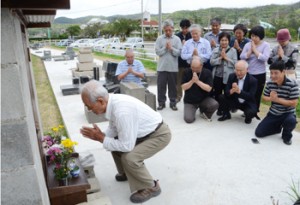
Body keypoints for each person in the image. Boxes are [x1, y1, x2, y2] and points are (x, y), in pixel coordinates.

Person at [80, 80, 172, 203]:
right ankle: (127, 173)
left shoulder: (122, 111)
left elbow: (126, 146)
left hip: (159, 135)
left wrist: (101, 138)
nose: (89, 109)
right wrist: (102, 136)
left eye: (89, 106)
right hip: (144, 133)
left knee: (130, 158)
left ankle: (151, 187)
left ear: (101, 101)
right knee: (113, 143)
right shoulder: (111, 102)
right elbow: (114, 128)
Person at [255, 61, 299, 145]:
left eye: (276, 73)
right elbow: (264, 97)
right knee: (259, 133)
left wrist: (277, 99)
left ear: (283, 72)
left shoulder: (293, 84)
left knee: (291, 121)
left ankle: (286, 135)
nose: (273, 76)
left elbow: (293, 103)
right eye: (271, 73)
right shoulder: (270, 83)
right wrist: (271, 98)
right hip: (273, 113)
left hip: (287, 113)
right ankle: (277, 128)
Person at [240, 25, 270, 113]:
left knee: (257, 93)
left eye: (256, 36)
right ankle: (246, 110)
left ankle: (255, 110)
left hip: (260, 73)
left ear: (261, 36)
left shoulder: (266, 45)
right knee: (247, 92)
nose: (254, 38)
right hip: (248, 73)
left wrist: (255, 50)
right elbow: (242, 57)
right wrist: (249, 52)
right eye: (252, 36)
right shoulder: (247, 45)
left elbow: (265, 58)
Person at [181, 56, 219, 123]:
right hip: (190, 101)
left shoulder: (207, 72)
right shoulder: (186, 71)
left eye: (197, 68)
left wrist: (197, 81)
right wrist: (192, 81)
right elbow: (183, 87)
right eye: (192, 67)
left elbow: (209, 89)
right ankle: (192, 111)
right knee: (189, 119)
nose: (194, 70)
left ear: (201, 65)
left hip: (204, 99)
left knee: (214, 104)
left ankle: (204, 112)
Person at [155, 19, 182, 111]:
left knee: (173, 87)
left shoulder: (177, 39)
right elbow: (158, 52)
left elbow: (178, 53)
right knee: (161, 87)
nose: (168, 32)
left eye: (169, 30)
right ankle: (161, 103)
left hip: (173, 68)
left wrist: (171, 48)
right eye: (166, 30)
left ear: (173, 29)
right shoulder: (159, 39)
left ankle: (173, 103)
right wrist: (165, 48)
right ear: (163, 29)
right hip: (161, 68)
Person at [210, 32, 237, 115]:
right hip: (217, 76)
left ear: (229, 41)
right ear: (219, 41)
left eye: (226, 40)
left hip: (228, 76)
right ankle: (219, 108)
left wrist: (226, 58)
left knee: (227, 94)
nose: (224, 42)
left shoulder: (233, 51)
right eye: (222, 40)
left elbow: (236, 64)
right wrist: (221, 58)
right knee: (217, 93)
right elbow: (211, 62)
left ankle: (226, 108)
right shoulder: (215, 50)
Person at [176, 19, 192, 103]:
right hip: (179, 63)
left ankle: (188, 97)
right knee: (178, 81)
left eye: (186, 28)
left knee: (189, 81)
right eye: (183, 28)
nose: (185, 30)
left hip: (189, 64)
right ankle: (178, 96)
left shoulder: (192, 36)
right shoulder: (177, 36)